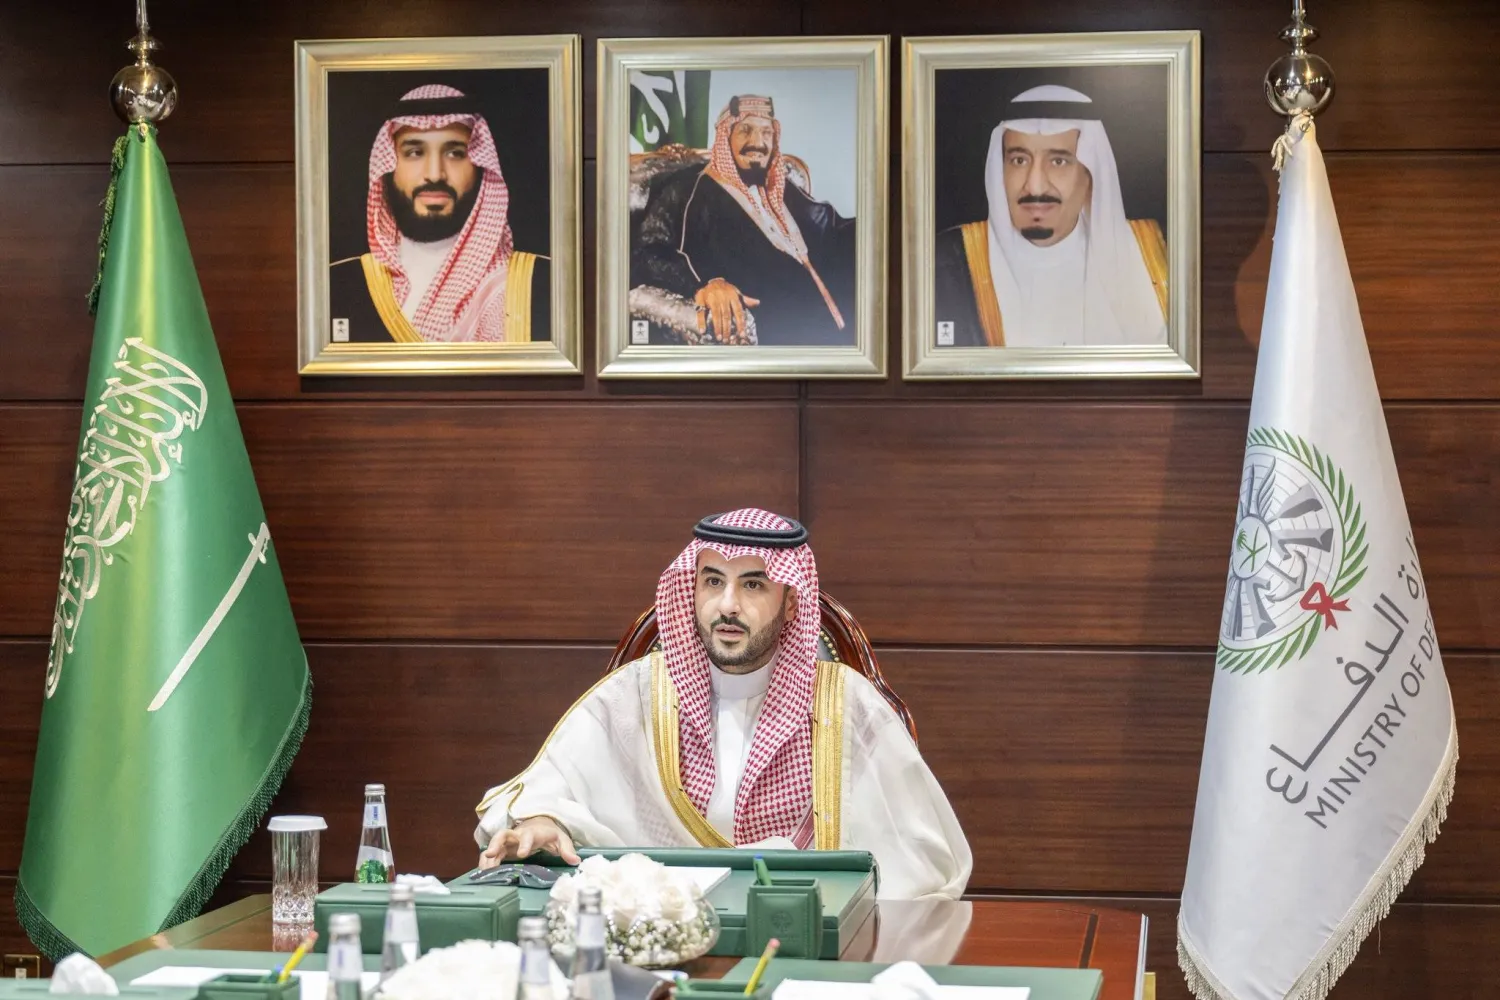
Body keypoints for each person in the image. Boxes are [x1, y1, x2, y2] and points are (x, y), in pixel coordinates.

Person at [473, 509, 971, 900]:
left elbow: (921, 861)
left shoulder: (847, 706)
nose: (728, 604)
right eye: (713, 581)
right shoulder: (638, 694)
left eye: (753, 584)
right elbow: (553, 787)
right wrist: (543, 820)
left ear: (792, 602)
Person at [933, 85, 1168, 348]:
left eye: (1058, 162)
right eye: (1019, 160)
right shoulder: (948, 264)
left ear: (1090, 175)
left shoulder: (1156, 255)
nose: (1035, 186)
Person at [330, 84, 549, 344]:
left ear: (480, 165)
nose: (435, 173)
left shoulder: (544, 281)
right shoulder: (338, 284)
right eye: (414, 152)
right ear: (388, 165)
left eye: (455, 153)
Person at [631, 95, 857, 346]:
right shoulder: (687, 188)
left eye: (766, 132)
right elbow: (647, 252)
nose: (757, 143)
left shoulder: (779, 186)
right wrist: (706, 284)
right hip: (778, 335)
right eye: (745, 130)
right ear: (725, 137)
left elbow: (830, 229)